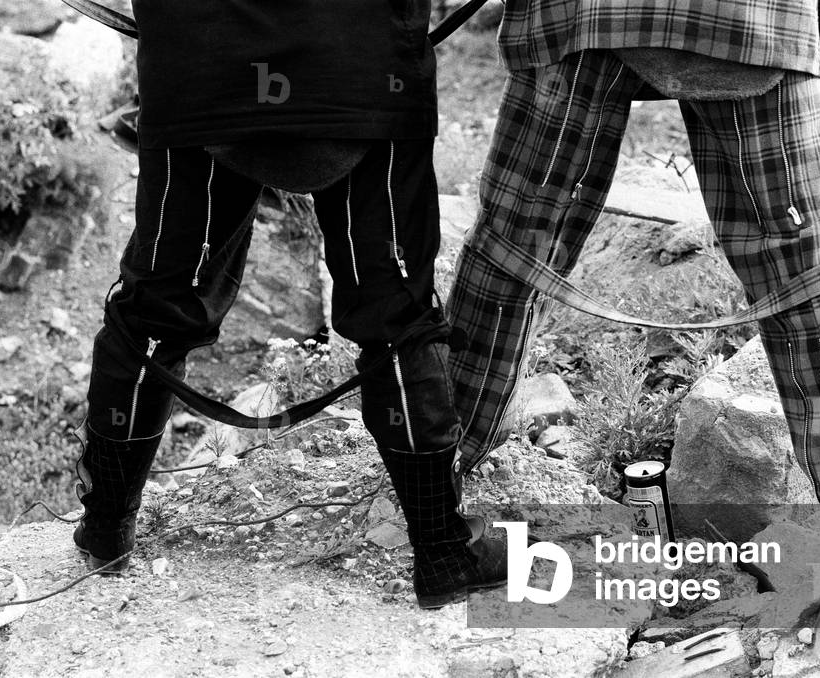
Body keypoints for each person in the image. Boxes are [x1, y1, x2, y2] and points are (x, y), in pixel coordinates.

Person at [445, 0, 820, 573]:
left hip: (579, 11)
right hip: (742, 16)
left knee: (515, 239)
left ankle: (430, 487)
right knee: (803, 259)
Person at [71, 0, 507, 610]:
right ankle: (442, 550)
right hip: (360, 66)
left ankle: (105, 529)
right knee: (396, 311)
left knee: (155, 304)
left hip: (204, 62)